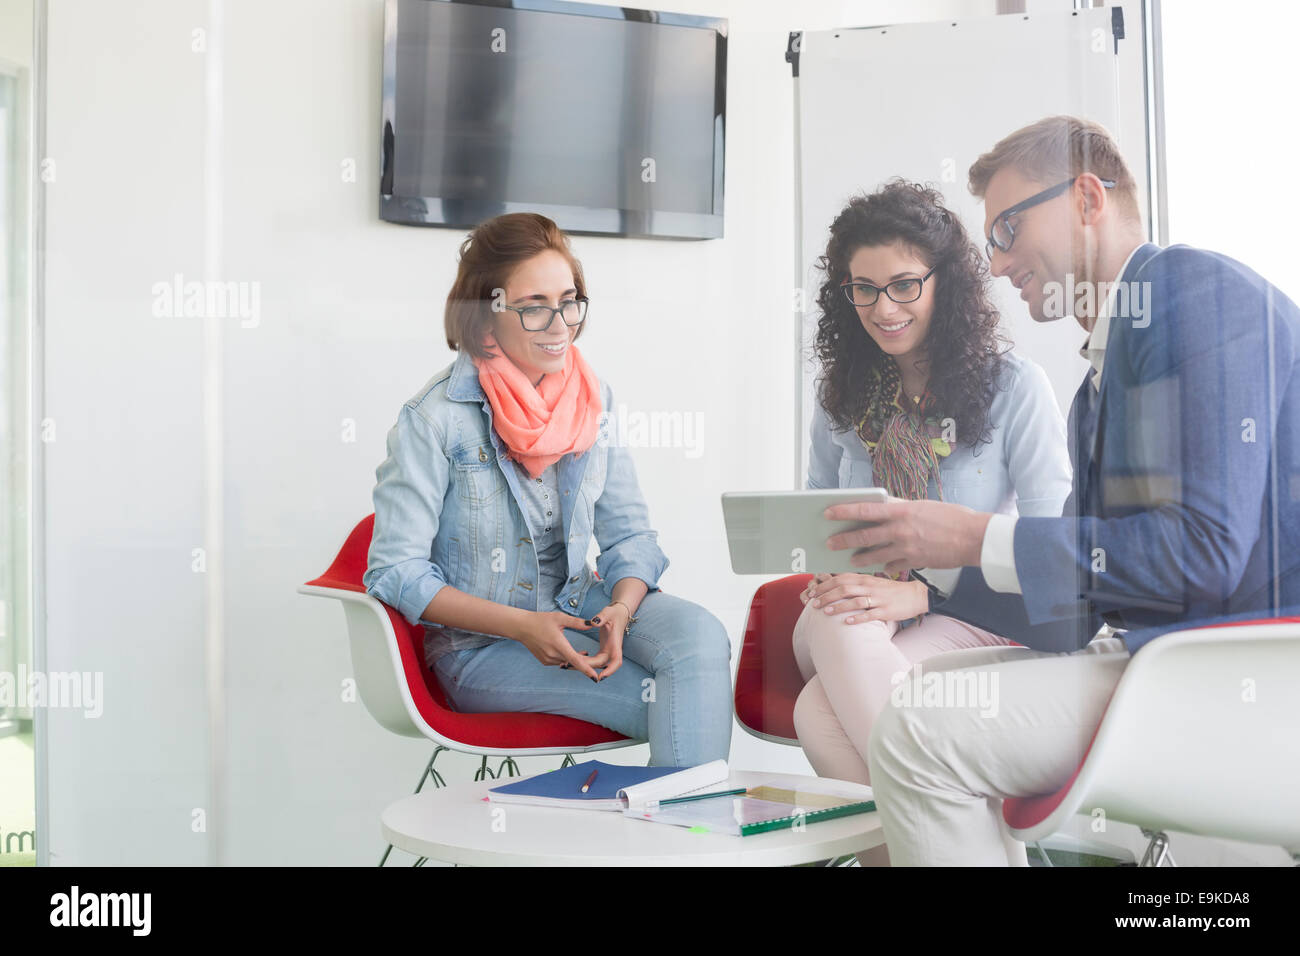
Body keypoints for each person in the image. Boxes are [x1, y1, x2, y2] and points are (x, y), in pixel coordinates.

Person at [822, 115, 1300, 865]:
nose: (1000, 262)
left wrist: (975, 538)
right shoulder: (1095, 390)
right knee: (906, 707)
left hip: (1248, 678)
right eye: (991, 241)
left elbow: (1203, 553)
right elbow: (1082, 604)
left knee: (918, 728)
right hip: (1162, 658)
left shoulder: (1200, 295)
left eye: (1009, 228)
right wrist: (940, 571)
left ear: (1085, 199)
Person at [363, 212, 732, 767]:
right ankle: (686, 844)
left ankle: (678, 841)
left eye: (570, 300)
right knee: (674, 699)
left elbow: (629, 534)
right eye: (535, 306)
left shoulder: (591, 397)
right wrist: (522, 625)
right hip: (482, 648)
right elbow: (395, 572)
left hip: (580, 603)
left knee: (700, 636)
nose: (559, 325)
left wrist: (622, 612)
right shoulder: (434, 419)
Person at [791, 181, 1071, 831]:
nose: (882, 308)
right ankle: (957, 834)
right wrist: (835, 571)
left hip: (975, 610)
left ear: (946, 284)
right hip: (853, 604)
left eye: (903, 285)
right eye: (862, 288)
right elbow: (809, 518)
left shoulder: (1015, 388)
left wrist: (926, 596)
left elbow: (1047, 547)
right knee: (839, 617)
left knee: (817, 712)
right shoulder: (840, 396)